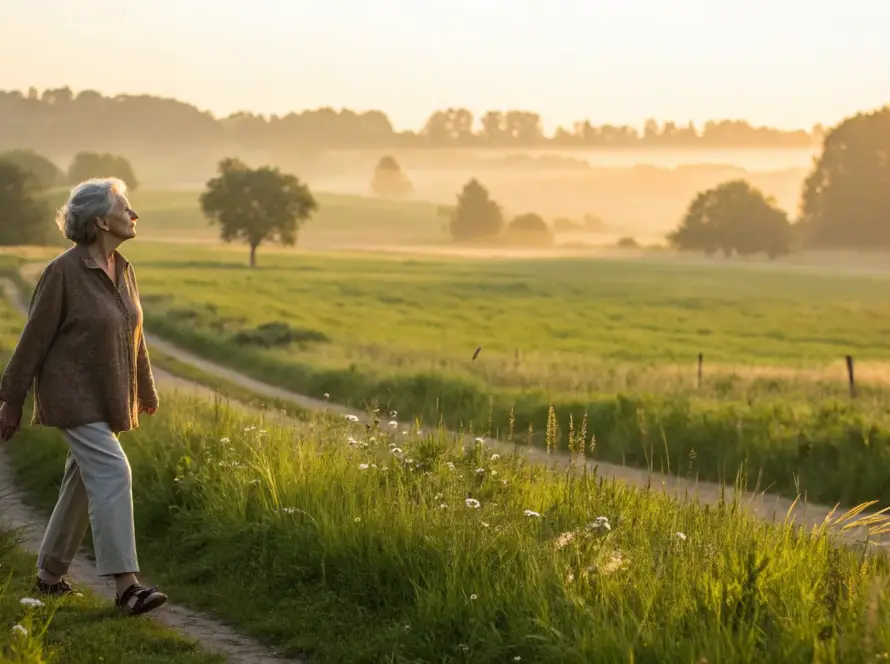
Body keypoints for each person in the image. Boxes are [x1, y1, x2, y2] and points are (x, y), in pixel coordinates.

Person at [0, 177, 168, 616]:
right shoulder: (63, 273)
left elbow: (134, 335)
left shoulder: (124, 269)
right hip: (71, 395)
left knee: (81, 482)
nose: (134, 215)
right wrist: (12, 398)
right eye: (125, 208)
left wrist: (145, 387)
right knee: (113, 472)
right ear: (99, 220)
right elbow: (34, 339)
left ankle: (49, 576)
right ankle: (126, 586)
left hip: (109, 395)